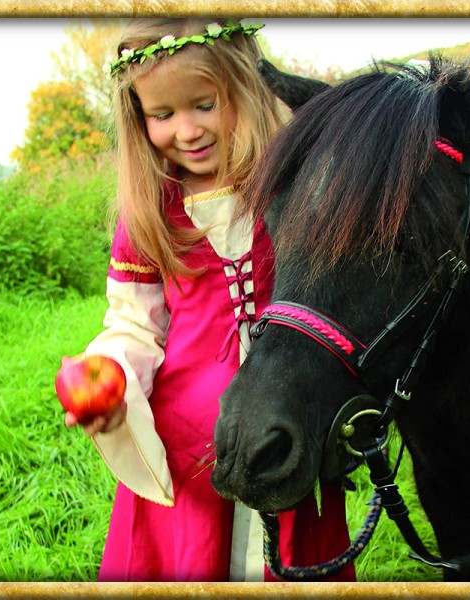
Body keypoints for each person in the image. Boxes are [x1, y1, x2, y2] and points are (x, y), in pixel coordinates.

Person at [62, 18, 356, 583]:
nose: (188, 130)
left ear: (246, 90)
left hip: (287, 431)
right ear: (138, 118)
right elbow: (134, 325)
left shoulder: (294, 190)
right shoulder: (152, 212)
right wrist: (111, 371)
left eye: (205, 104)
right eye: (163, 114)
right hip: (192, 453)